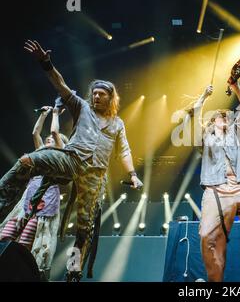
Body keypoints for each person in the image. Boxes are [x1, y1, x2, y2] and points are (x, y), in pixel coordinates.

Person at [0, 40, 143, 281]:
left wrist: (132, 175)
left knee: (84, 227)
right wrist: (46, 63)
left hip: (94, 174)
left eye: (102, 94)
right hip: (71, 158)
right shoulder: (82, 107)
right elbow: (61, 85)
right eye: (95, 93)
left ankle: (73, 272)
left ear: (110, 97)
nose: (96, 97)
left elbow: (125, 151)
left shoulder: (117, 124)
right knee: (26, 161)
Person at [185, 74, 240, 282]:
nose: (226, 118)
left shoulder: (236, 133)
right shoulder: (205, 138)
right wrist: (203, 97)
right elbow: (194, 117)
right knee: (207, 236)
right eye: (221, 116)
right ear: (213, 121)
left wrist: (235, 86)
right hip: (216, 190)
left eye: (228, 116)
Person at [0, 104, 68, 281]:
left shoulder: (60, 156)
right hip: (27, 200)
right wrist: (44, 115)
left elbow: (54, 132)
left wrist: (55, 113)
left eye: (52, 140)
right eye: (47, 140)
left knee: (25, 243)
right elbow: (35, 133)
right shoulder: (40, 153)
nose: (48, 140)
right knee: (5, 236)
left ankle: (19, 273)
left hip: (45, 203)